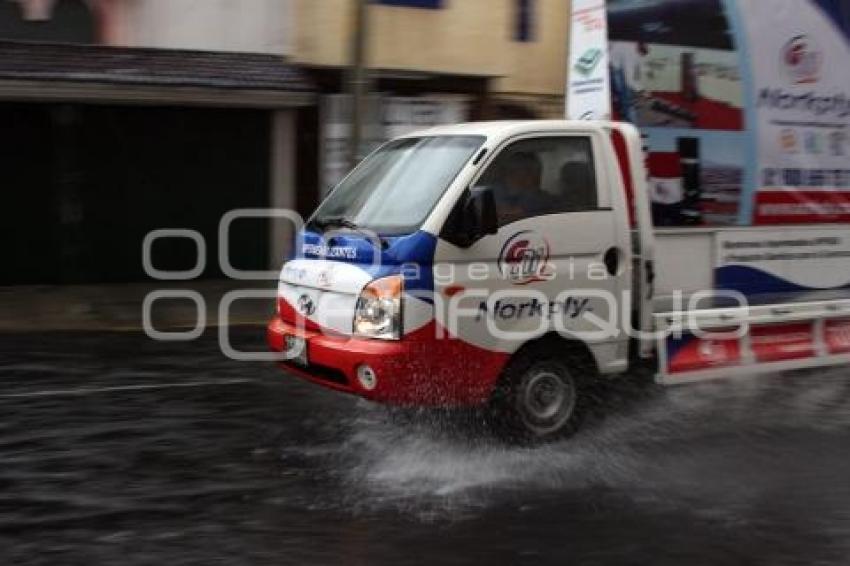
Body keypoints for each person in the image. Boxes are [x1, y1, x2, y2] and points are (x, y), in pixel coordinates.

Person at [491, 152, 553, 225]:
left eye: (537, 172)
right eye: (530, 171)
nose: (536, 177)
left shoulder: (539, 196)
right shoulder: (495, 191)